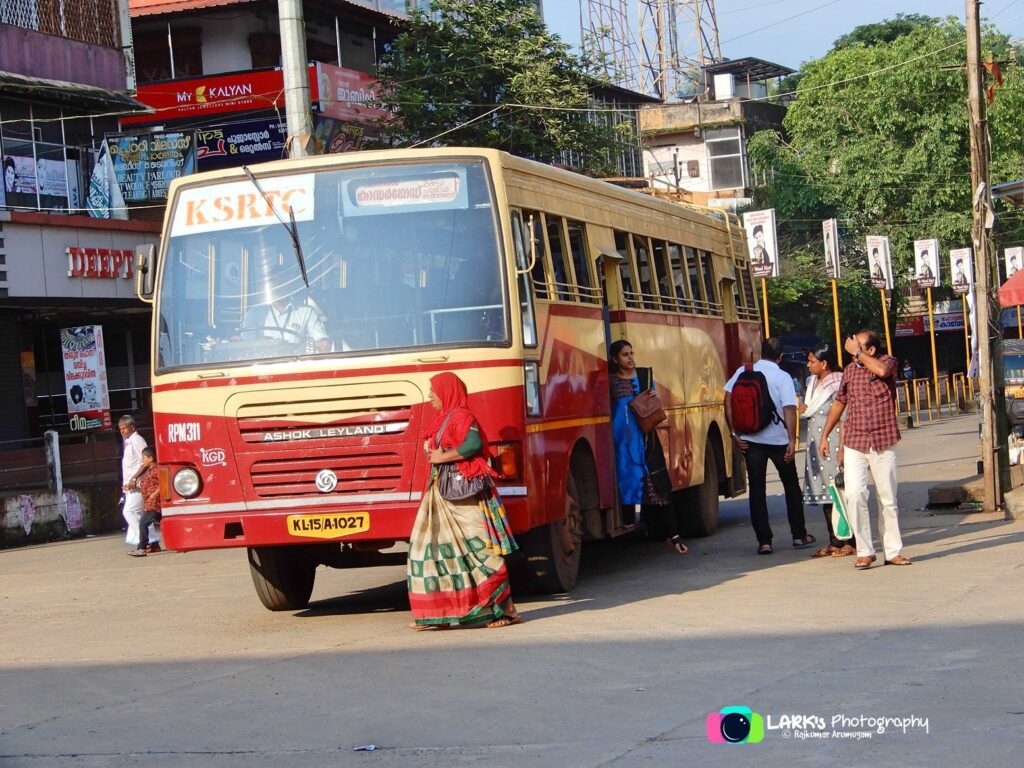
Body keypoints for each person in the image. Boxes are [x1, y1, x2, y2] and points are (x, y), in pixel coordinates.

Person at [407, 372, 521, 629]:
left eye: (433, 390)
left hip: (463, 493)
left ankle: (508, 610)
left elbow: (472, 445)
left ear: (446, 392)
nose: (430, 396)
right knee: (434, 551)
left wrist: (442, 457)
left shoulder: (461, 417)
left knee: (480, 550)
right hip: (443, 492)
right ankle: (439, 614)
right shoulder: (443, 419)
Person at [820, 330, 911, 569]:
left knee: (887, 499)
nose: (850, 347)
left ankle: (892, 552)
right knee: (854, 494)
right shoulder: (849, 371)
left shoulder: (888, 361)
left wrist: (858, 353)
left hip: (884, 439)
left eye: (858, 345)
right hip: (855, 441)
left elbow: (882, 372)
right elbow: (840, 402)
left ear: (870, 350)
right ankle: (865, 551)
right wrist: (825, 435)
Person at [724, 337, 813, 554]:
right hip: (779, 441)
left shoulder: (742, 371)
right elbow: (789, 409)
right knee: (791, 486)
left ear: (760, 353)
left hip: (750, 440)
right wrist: (792, 440)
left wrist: (734, 433)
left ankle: (764, 542)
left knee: (757, 490)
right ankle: (799, 535)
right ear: (780, 356)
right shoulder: (782, 377)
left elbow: (727, 400)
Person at [609, 340, 688, 554]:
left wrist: (654, 400)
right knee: (624, 483)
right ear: (615, 359)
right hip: (621, 445)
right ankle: (629, 525)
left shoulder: (644, 377)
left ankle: (673, 536)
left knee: (659, 487)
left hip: (645, 442)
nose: (631, 358)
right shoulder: (610, 382)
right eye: (625, 354)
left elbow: (654, 411)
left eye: (632, 353)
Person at [799, 344, 855, 558]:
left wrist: (841, 447)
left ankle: (849, 540)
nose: (808, 365)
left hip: (832, 442)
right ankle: (834, 541)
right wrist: (803, 410)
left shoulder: (838, 382)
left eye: (812, 361)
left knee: (840, 492)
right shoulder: (811, 382)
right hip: (816, 445)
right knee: (826, 494)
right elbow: (810, 409)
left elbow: (843, 417)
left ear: (824, 363)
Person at [118, 415, 159, 550]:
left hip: (139, 485)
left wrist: (135, 479)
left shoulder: (137, 440)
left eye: (124, 428)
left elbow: (145, 461)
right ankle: (153, 542)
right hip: (130, 487)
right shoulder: (128, 442)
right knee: (141, 514)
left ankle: (145, 540)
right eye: (120, 429)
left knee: (129, 512)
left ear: (132, 427)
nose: (122, 431)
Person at [240, 294, 331, 353]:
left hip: (297, 368)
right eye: (274, 283)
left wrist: (322, 345)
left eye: (281, 283)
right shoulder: (254, 313)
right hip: (263, 369)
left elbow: (322, 340)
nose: (279, 288)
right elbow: (245, 346)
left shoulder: (306, 311)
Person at [128, 447, 161, 557]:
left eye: (144, 458)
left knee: (143, 523)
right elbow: (146, 484)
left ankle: (142, 548)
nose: (142, 460)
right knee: (156, 521)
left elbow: (164, 484)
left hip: (154, 503)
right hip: (148, 503)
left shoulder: (157, 470)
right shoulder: (149, 471)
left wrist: (154, 494)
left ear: (150, 458)